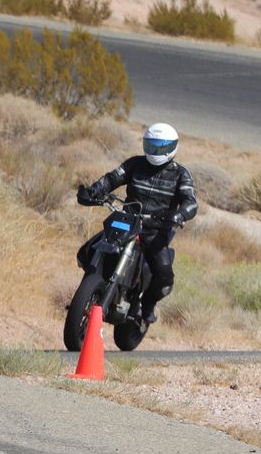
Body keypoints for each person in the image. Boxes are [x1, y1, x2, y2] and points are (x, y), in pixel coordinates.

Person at [78, 122, 197, 324]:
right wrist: (94, 191)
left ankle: (147, 304)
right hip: (128, 221)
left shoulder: (180, 174)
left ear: (172, 148)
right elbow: (112, 178)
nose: (156, 151)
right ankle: (90, 288)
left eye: (161, 147)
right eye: (151, 145)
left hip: (156, 230)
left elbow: (191, 202)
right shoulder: (135, 164)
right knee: (86, 251)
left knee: (164, 276)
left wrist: (180, 215)